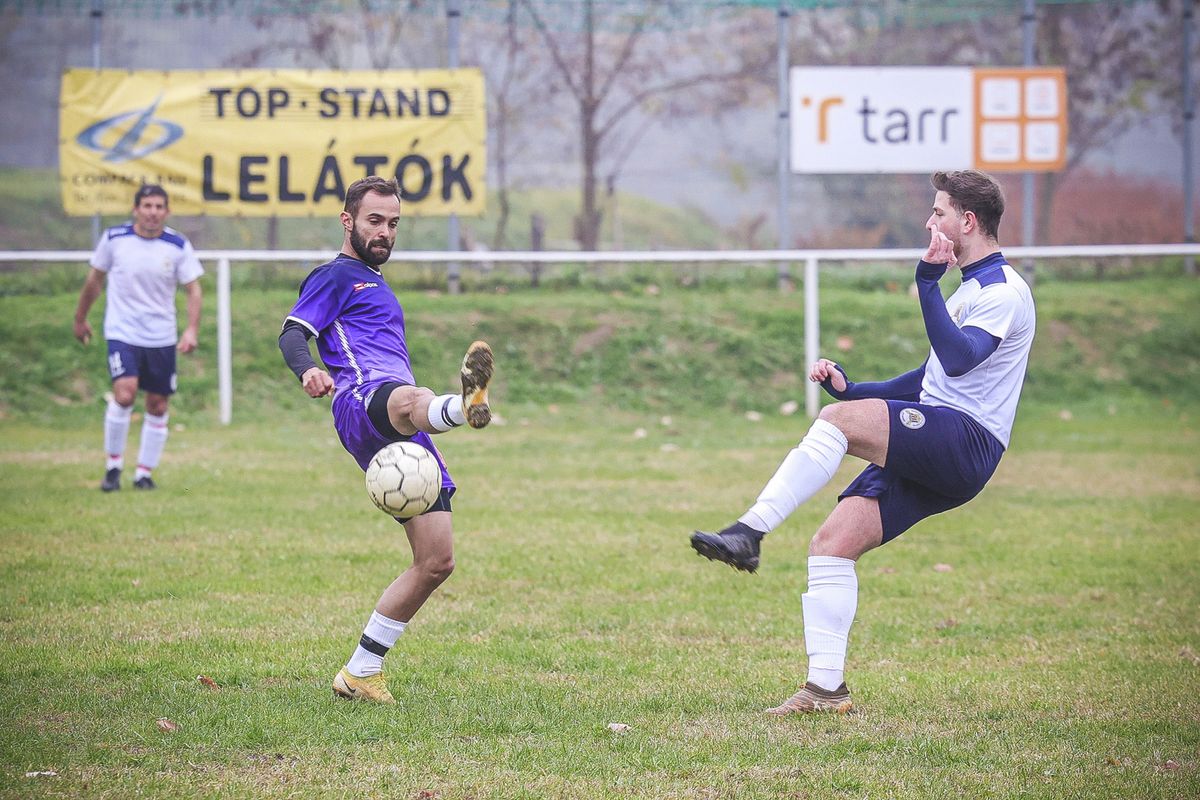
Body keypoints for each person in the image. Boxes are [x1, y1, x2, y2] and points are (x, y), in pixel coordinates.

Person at [690, 169, 1035, 715]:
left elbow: (959, 359)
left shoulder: (1002, 292)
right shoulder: (972, 290)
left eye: (939, 212)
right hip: (938, 435)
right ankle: (825, 690)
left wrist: (925, 284)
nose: (930, 221)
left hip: (964, 442)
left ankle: (748, 532)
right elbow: (928, 381)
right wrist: (855, 388)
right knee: (832, 544)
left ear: (967, 222)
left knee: (839, 422)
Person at [278, 175, 494, 705]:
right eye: (375, 220)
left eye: (393, 223)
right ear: (348, 221)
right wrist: (307, 371)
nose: (385, 231)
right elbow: (292, 333)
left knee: (437, 561)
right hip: (363, 398)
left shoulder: (376, 282)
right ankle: (460, 406)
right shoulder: (336, 275)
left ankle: (360, 670)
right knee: (407, 397)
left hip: (407, 430)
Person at [73, 184, 204, 492]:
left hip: (160, 335)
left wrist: (191, 329)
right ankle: (113, 468)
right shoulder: (115, 239)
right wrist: (80, 318)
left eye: (159, 206)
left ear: (167, 212)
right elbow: (94, 280)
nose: (153, 212)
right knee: (125, 394)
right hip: (123, 331)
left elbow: (193, 289)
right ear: (136, 209)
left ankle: (144, 472)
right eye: (147, 205)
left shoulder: (177, 244)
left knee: (157, 405)